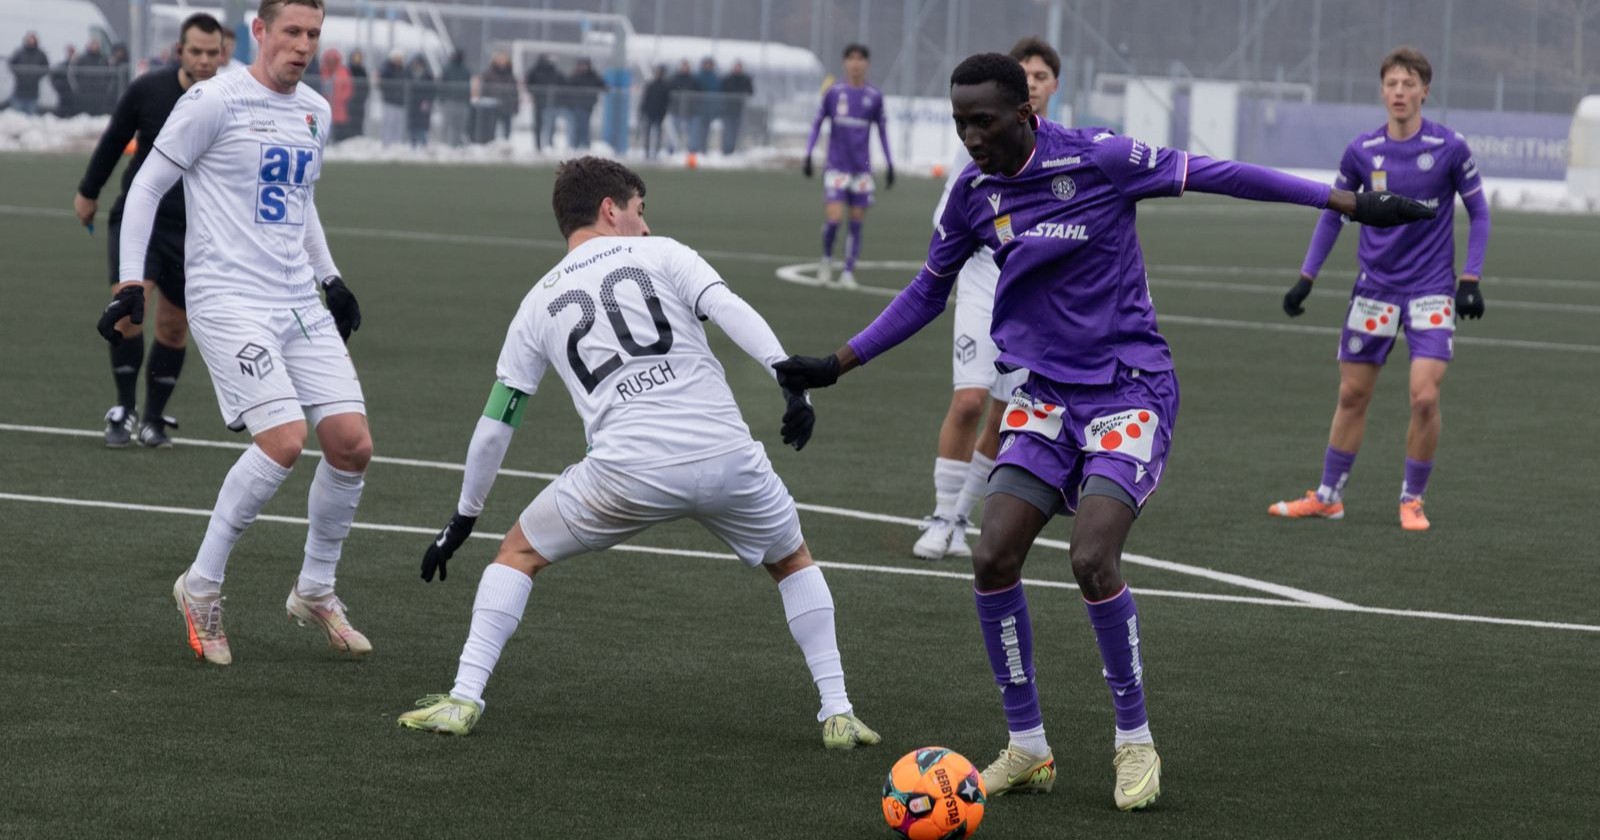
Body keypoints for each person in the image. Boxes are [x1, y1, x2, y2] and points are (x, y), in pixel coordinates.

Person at [773, 53, 1434, 811]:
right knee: (991, 556)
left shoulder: (1102, 158)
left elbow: (1225, 173)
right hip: (1045, 398)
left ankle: (1134, 741)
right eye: (959, 122)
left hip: (1129, 391)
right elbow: (929, 292)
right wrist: (835, 363)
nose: (969, 137)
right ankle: (1027, 746)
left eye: (981, 121)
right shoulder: (973, 194)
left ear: (1025, 111)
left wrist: (1350, 205)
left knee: (1092, 557)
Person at [395, 157, 880, 752]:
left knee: (516, 552)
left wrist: (464, 516)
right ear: (610, 210)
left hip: (625, 473)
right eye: (639, 211)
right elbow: (730, 310)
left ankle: (464, 699)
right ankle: (837, 712)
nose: (646, 226)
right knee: (793, 562)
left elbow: (499, 419)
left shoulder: (536, 302)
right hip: (727, 456)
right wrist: (790, 382)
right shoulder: (667, 253)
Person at [102, 0, 373, 667]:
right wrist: (130, 282)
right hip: (227, 299)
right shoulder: (212, 102)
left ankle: (315, 590)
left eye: (313, 33)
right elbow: (143, 188)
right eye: (291, 32)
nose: (303, 45)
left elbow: (301, 201)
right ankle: (200, 586)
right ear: (259, 32)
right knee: (282, 441)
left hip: (294, 299)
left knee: (351, 444)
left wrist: (330, 278)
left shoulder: (315, 109)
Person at [1269, 47, 1490, 532]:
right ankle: (1328, 496)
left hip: (1432, 289)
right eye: (1392, 83)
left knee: (1424, 398)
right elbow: (1333, 213)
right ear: (1382, 90)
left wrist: (1469, 278)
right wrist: (1307, 277)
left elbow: (1480, 213)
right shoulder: (1362, 151)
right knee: (1352, 395)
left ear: (1425, 91)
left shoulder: (1450, 147)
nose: (1399, 92)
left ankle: (1412, 498)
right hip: (1375, 290)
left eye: (1409, 84)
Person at [913, 38, 1059, 560]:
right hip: (980, 275)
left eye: (1042, 76)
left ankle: (960, 518)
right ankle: (940, 513)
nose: (1034, 83)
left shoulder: (1065, 150)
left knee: (1005, 411)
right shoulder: (976, 141)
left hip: (1029, 290)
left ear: (1051, 87)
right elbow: (950, 220)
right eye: (1026, 75)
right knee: (970, 399)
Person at [77, 13, 224, 448]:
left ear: (223, 54)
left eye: (212, 53)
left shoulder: (230, 99)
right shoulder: (148, 89)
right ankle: (123, 408)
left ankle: (154, 419)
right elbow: (112, 140)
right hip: (141, 220)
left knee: (174, 327)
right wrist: (87, 192)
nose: (203, 60)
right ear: (179, 51)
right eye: (195, 51)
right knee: (128, 307)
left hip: (194, 230)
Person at [801, 44, 893, 289]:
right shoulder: (834, 93)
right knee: (834, 219)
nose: (856, 63)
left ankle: (849, 271)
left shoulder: (874, 96)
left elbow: (882, 132)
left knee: (856, 222)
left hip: (861, 171)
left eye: (860, 59)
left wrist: (890, 164)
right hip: (836, 167)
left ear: (867, 64)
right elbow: (817, 124)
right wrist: (808, 154)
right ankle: (827, 259)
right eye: (851, 58)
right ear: (844, 63)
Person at [565, 57, 606, 150]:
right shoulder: (575, 76)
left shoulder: (593, 76)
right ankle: (578, 143)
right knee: (578, 124)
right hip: (577, 104)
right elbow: (567, 85)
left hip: (588, 104)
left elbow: (603, 85)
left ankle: (583, 144)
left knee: (584, 124)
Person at [523, 53, 560, 152]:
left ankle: (549, 144)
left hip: (551, 102)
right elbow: (528, 83)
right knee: (538, 124)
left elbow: (560, 81)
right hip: (539, 101)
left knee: (550, 124)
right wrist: (533, 93)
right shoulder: (534, 71)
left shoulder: (553, 70)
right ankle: (538, 145)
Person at [7, 33, 49, 115]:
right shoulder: (19, 52)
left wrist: (37, 76)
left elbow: (46, 67)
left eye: (32, 39)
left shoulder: (40, 54)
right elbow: (11, 64)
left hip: (33, 92)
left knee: (30, 118)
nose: (31, 41)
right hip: (19, 90)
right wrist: (19, 74)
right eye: (29, 39)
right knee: (16, 117)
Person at [437, 49, 471, 147]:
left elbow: (468, 87)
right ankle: (443, 145)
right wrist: (442, 98)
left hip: (461, 101)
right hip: (449, 100)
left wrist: (467, 100)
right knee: (447, 124)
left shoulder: (465, 70)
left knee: (459, 126)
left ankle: (455, 145)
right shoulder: (447, 69)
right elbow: (442, 84)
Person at [481, 51, 518, 142]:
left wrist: (515, 105)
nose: (502, 62)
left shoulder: (510, 75)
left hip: (507, 106)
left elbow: (515, 92)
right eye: (500, 59)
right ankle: (490, 143)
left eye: (503, 59)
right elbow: (484, 90)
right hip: (493, 106)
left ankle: (506, 144)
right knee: (491, 127)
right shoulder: (489, 74)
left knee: (507, 129)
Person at [719, 59, 754, 155]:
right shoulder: (728, 79)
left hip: (741, 111)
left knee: (739, 132)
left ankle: (738, 151)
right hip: (728, 110)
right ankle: (727, 150)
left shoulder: (746, 79)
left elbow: (750, 92)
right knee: (728, 132)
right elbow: (723, 91)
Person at [320, 47, 353, 142]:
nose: (331, 63)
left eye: (333, 60)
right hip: (325, 102)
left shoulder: (343, 72)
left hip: (339, 105)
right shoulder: (322, 71)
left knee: (338, 124)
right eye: (329, 60)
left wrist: (341, 98)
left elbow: (348, 87)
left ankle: (338, 142)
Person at [638, 64, 671, 159]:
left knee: (658, 134)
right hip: (650, 112)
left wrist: (663, 112)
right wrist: (643, 110)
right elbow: (646, 99)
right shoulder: (651, 85)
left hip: (659, 113)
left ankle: (656, 152)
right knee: (647, 133)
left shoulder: (665, 86)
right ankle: (647, 153)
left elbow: (667, 101)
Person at [74, 40, 113, 116]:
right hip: (85, 91)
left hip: (100, 91)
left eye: (96, 44)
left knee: (99, 112)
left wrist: (106, 85)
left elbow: (109, 74)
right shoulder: (82, 59)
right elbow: (75, 73)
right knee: (86, 111)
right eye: (93, 44)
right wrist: (79, 86)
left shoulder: (103, 59)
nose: (94, 46)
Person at [378, 49, 407, 146]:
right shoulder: (386, 68)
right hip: (389, 101)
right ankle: (386, 144)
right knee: (388, 123)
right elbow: (381, 81)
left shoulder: (403, 70)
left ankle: (397, 143)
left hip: (400, 102)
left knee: (398, 124)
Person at [405, 54, 434, 148]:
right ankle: (413, 143)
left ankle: (423, 143)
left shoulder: (428, 75)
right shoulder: (410, 74)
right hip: (413, 103)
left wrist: (427, 101)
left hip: (423, 103)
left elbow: (431, 90)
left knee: (422, 124)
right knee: (413, 124)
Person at [667, 59, 695, 154]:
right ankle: (672, 150)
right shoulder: (675, 79)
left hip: (689, 111)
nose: (684, 68)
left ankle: (690, 150)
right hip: (676, 110)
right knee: (675, 131)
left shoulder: (692, 79)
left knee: (689, 132)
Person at [346, 48, 369, 137]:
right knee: (349, 121)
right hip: (349, 101)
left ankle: (358, 137)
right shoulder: (348, 70)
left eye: (359, 57)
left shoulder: (363, 71)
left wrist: (362, 97)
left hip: (360, 102)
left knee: (359, 121)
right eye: (355, 57)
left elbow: (366, 87)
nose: (357, 59)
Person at [50, 45, 79, 117]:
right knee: (62, 111)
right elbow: (53, 77)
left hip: (75, 93)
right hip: (64, 92)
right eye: (69, 52)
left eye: (72, 52)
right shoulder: (62, 65)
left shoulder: (79, 65)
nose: (71, 54)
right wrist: (58, 86)